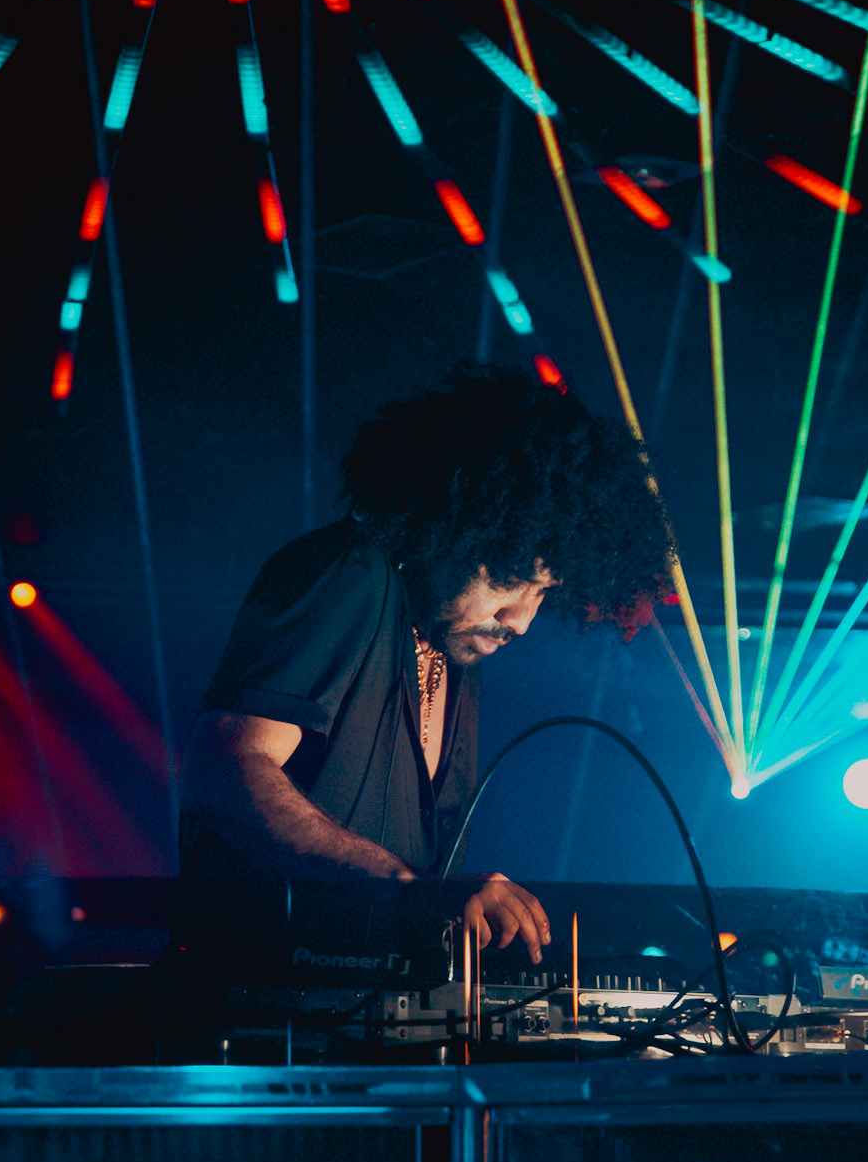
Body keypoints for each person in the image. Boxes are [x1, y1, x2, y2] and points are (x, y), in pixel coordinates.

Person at [173, 363, 672, 965]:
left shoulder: (455, 650)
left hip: (357, 1008)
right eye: (512, 580)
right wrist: (410, 889)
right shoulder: (347, 574)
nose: (521, 620)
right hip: (254, 1005)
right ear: (455, 530)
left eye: (544, 591)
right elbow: (223, 770)